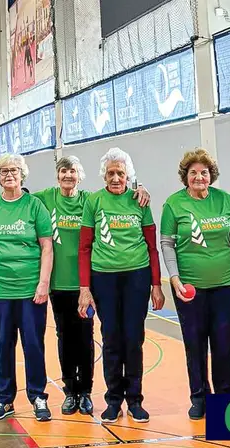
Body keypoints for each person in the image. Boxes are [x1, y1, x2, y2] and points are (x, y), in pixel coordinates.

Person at [0, 156, 151, 416]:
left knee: (86, 337)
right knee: (63, 337)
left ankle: (86, 393)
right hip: (57, 285)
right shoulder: (45, 199)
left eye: (72, 171)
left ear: (79, 175)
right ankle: (70, 391)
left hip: (86, 285)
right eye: (63, 171)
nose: (67, 176)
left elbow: (114, 197)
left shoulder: (89, 200)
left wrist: (140, 188)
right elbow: (17, 195)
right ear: (57, 175)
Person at [160, 148, 230, 420]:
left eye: (204, 172)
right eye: (193, 173)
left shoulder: (224, 200)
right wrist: (175, 278)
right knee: (195, 343)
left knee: (224, 344)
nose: (199, 177)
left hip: (224, 284)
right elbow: (167, 243)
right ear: (185, 177)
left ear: (211, 175)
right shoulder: (174, 204)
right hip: (190, 288)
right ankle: (200, 396)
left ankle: (225, 399)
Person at [77, 148, 165, 424]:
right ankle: (113, 400)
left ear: (129, 177)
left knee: (134, 339)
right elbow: (84, 248)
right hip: (104, 278)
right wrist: (85, 287)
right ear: (104, 175)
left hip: (136, 278)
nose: (116, 178)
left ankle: (135, 400)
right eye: (111, 173)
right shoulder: (94, 201)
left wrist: (156, 284)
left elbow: (152, 247)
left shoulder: (140, 201)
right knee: (112, 338)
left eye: (121, 173)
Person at [0, 154, 54, 422]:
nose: (9, 174)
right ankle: (5, 399)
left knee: (33, 345)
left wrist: (43, 283)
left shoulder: (35, 206)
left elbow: (46, 246)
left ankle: (38, 396)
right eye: (4, 171)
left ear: (23, 175)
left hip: (30, 291)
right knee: (3, 346)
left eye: (14, 170)